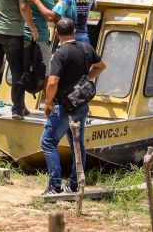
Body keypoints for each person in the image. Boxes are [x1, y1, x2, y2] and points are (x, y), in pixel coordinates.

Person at [41, 18, 107, 195]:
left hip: (62, 106)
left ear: (56, 34)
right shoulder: (86, 48)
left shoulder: (60, 54)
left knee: (48, 142)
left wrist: (48, 102)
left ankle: (54, 186)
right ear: (74, 32)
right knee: (77, 144)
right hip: (81, 104)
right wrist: (86, 80)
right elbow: (101, 66)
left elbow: (53, 82)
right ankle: (75, 184)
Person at [21, 0, 55, 75]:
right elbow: (52, 16)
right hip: (38, 38)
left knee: (17, 72)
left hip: (18, 35)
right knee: (45, 72)